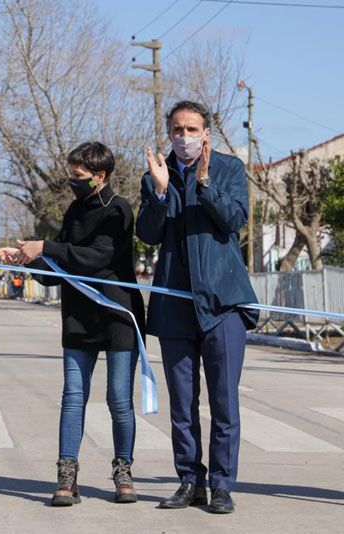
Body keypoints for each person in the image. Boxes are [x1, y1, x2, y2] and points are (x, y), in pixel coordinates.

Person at [0, 142, 145, 507]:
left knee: (119, 400)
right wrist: (24, 261)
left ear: (100, 175)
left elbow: (99, 257)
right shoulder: (73, 212)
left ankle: (123, 471)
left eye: (78, 177)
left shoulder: (119, 210)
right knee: (73, 397)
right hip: (78, 318)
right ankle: (67, 475)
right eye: (70, 175)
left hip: (117, 317)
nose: (72, 182)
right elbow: (59, 272)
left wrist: (44, 246)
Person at [136, 101, 259, 515]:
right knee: (182, 403)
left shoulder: (228, 168)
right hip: (175, 307)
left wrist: (205, 183)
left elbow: (234, 220)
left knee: (224, 401)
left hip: (222, 305)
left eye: (191, 128)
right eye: (177, 129)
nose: (184, 136)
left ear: (206, 132)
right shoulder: (158, 174)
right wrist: (157, 190)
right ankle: (190, 480)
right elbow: (149, 234)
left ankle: (222, 485)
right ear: (169, 132)